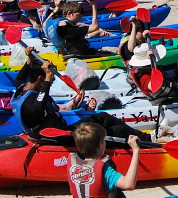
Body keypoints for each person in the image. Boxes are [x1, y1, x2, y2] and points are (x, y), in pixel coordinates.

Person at [11, 50, 148, 142]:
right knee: (114, 130)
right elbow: (38, 106)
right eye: (50, 80)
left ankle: (144, 137)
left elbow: (20, 77)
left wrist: (29, 59)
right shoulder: (31, 102)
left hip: (63, 130)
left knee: (103, 117)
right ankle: (147, 143)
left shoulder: (20, 88)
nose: (52, 82)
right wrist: (47, 79)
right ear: (41, 79)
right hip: (58, 139)